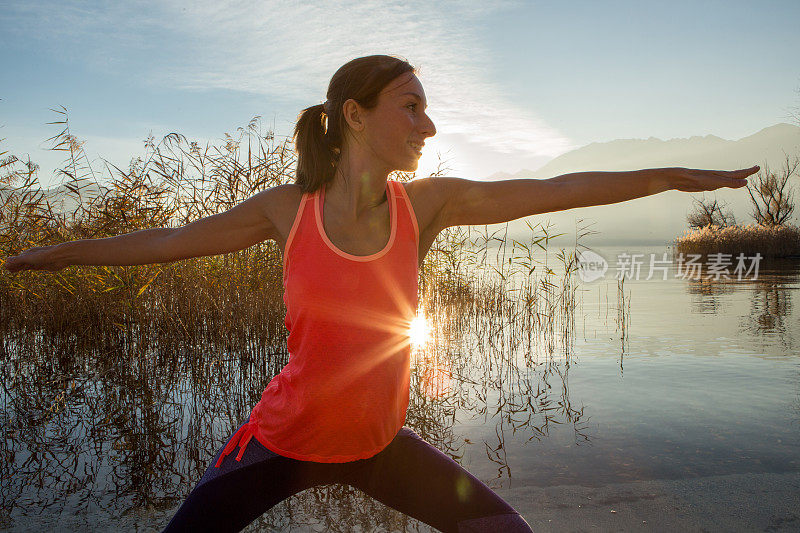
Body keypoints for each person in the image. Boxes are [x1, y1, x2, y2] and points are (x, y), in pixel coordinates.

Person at [3, 54, 759, 532]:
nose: (427, 124)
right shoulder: (284, 210)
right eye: (411, 105)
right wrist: (55, 253)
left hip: (377, 445)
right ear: (356, 116)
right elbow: (166, 243)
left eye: (428, 107)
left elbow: (555, 188)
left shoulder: (424, 206)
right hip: (279, 443)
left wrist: (673, 177)